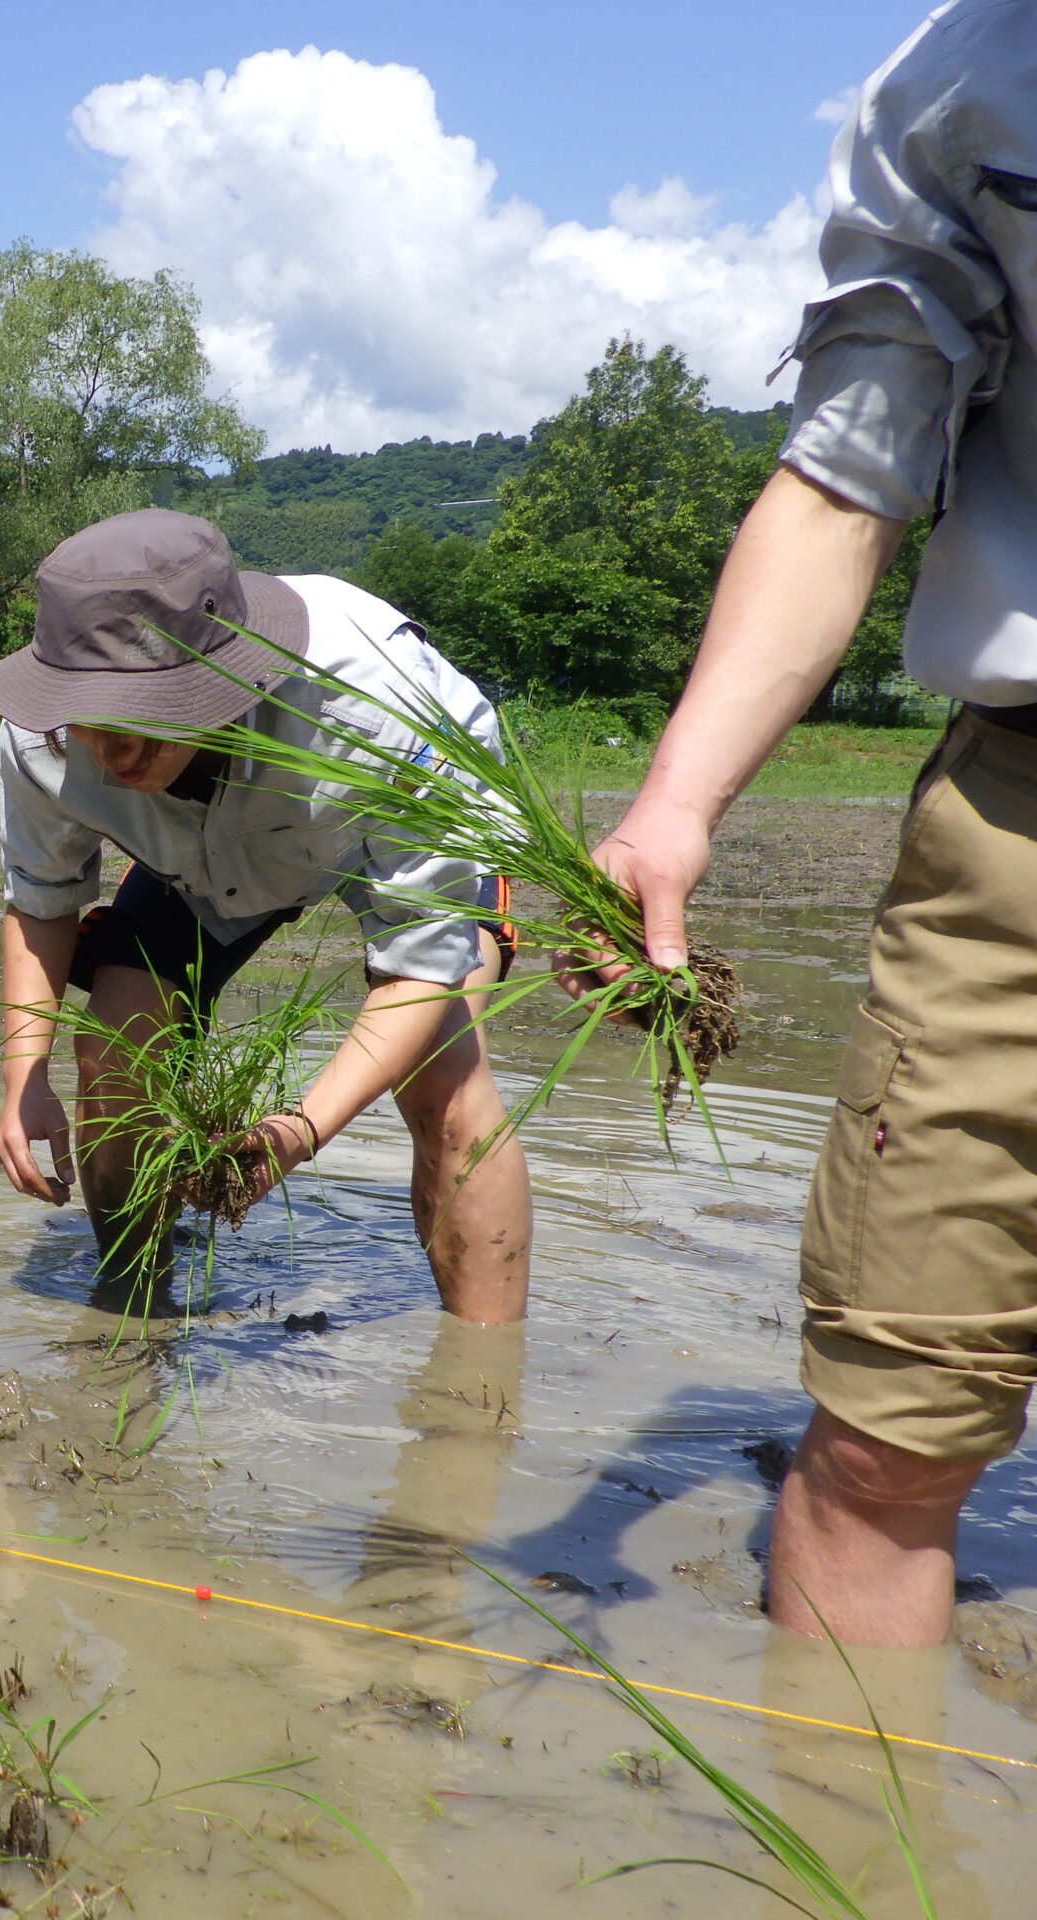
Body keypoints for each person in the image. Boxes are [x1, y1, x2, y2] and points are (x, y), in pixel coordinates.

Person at [587, 2, 1037, 1648]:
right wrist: (671, 809)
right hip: (1023, 828)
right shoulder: (960, 84)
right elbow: (851, 471)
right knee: (885, 1447)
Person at [0, 510, 529, 1323]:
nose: (107, 751)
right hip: (195, 856)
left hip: (377, 824)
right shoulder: (39, 738)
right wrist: (23, 1077)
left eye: (137, 718)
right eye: (84, 715)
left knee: (443, 1085)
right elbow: (41, 901)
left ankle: (480, 1391)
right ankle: (131, 1309)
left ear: (222, 680)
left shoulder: (376, 708)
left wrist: (299, 1131)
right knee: (112, 1052)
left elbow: (418, 969)